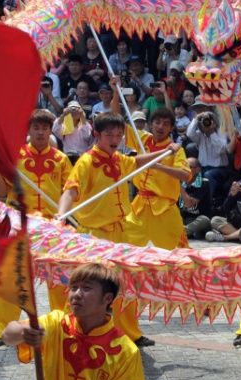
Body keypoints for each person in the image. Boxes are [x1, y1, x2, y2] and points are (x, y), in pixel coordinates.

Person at [56, 112, 181, 346]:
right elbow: (70, 190)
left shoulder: (118, 159)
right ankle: (72, 331)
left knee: (125, 282)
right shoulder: (86, 162)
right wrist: (61, 214)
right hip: (95, 234)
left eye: (119, 134)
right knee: (87, 285)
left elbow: (137, 162)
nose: (115, 138)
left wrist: (165, 152)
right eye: (109, 134)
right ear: (96, 135)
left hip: (121, 232)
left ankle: (129, 332)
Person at [2, 262, 145, 380]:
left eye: (86, 288)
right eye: (74, 287)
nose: (76, 294)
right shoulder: (56, 324)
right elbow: (8, 335)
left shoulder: (126, 352)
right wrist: (23, 332)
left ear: (107, 298)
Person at [0, 110, 72, 346]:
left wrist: (64, 213)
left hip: (50, 226)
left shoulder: (60, 159)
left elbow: (70, 189)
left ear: (50, 131)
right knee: (14, 276)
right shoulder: (14, 157)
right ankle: (1, 328)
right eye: (36, 128)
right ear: (28, 131)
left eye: (44, 128)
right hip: (20, 223)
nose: (40, 132)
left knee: (58, 276)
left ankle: (64, 324)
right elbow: (2, 192)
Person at [125, 106, 192, 249]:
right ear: (151, 123)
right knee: (124, 249)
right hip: (139, 206)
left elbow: (186, 175)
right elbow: (118, 125)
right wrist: (116, 93)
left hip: (164, 209)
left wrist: (159, 167)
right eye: (157, 122)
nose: (161, 126)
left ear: (172, 128)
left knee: (179, 254)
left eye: (166, 124)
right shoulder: (141, 138)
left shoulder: (175, 149)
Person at [205, 156, 241, 243]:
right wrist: (232, 195)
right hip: (235, 223)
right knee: (215, 220)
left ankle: (227, 237)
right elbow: (225, 210)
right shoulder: (239, 184)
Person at [187, 110, 233, 205]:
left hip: (220, 169)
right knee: (191, 172)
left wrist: (212, 132)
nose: (206, 123)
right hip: (202, 168)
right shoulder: (200, 135)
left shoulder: (221, 135)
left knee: (207, 176)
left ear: (214, 123)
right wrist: (197, 118)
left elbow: (220, 150)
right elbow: (189, 134)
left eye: (208, 121)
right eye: (204, 121)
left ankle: (206, 203)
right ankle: (189, 201)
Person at [179, 156, 213, 239]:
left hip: (199, 219)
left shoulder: (203, 183)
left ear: (198, 169)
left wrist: (179, 187)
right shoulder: (182, 182)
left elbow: (189, 203)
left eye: (189, 167)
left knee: (204, 220)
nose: (185, 169)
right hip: (185, 219)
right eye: (184, 166)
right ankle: (186, 232)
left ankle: (180, 233)